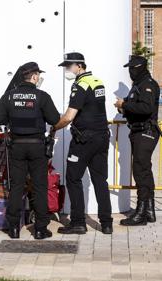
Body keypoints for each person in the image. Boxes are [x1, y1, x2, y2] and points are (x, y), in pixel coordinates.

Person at [0, 62, 60, 240]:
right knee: (39, 187)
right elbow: (54, 118)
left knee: (16, 186)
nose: (39, 77)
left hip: (17, 146)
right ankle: (40, 229)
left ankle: (13, 228)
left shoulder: (8, 96)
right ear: (34, 76)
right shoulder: (42, 96)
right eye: (38, 74)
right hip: (37, 146)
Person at [53, 52, 113, 235]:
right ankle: (106, 223)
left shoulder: (80, 85)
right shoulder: (97, 81)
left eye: (68, 66)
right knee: (100, 180)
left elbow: (69, 117)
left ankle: (78, 222)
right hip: (102, 137)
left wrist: (54, 127)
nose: (66, 70)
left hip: (84, 140)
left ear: (79, 66)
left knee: (73, 177)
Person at [114, 55, 160, 226]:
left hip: (146, 131)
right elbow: (138, 108)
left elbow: (146, 108)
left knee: (140, 172)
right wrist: (125, 107)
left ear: (140, 67)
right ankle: (149, 211)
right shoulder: (138, 85)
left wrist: (124, 105)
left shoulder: (147, 84)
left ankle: (140, 214)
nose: (130, 71)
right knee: (145, 171)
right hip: (139, 131)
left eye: (132, 68)